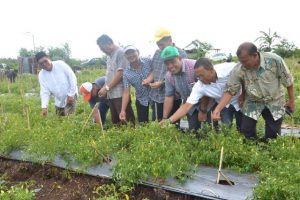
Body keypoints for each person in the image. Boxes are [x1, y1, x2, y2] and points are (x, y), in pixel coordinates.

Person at [212, 42, 294, 140]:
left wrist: (291, 101)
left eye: (245, 61)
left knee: (273, 135)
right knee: (246, 131)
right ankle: (253, 150)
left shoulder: (274, 60)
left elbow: (288, 81)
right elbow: (230, 90)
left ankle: (267, 152)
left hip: (274, 101)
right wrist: (217, 109)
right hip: (253, 101)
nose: (243, 64)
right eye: (241, 61)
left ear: (255, 55)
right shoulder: (239, 69)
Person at [163, 58, 242, 130]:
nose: (200, 79)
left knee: (245, 128)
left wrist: (243, 94)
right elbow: (186, 106)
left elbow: (244, 72)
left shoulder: (228, 68)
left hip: (241, 101)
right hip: (224, 106)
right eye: (198, 76)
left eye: (202, 75)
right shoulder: (199, 86)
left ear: (211, 70)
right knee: (227, 129)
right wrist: (168, 121)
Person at [143, 28, 187, 121]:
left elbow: (179, 75)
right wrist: (149, 79)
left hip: (172, 96)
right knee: (157, 121)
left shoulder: (181, 53)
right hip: (156, 95)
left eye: (161, 44)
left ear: (170, 40)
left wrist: (162, 83)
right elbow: (154, 70)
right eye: (158, 44)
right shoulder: (157, 52)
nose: (159, 47)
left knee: (172, 122)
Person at [158, 46, 200, 130]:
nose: (170, 66)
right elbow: (169, 97)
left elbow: (207, 88)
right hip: (189, 108)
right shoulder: (169, 76)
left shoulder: (194, 66)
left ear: (180, 58)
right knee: (194, 133)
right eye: (167, 64)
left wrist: (203, 110)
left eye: (173, 62)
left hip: (207, 105)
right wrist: (165, 118)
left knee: (211, 131)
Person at [96, 34, 135, 125]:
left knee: (126, 121)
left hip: (120, 94)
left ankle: (132, 138)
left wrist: (106, 88)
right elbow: (109, 75)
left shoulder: (120, 53)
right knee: (116, 122)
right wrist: (105, 88)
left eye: (102, 48)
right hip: (111, 95)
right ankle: (120, 139)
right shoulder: (109, 56)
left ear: (109, 43)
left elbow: (121, 74)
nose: (102, 51)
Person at [36, 51, 78, 116]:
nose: (44, 64)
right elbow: (44, 91)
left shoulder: (60, 64)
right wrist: (44, 107)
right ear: (39, 65)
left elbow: (72, 78)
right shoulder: (41, 75)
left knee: (69, 118)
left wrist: (71, 94)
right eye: (41, 63)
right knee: (59, 119)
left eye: (45, 61)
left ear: (49, 58)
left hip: (70, 96)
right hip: (59, 100)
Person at [119, 45, 152, 123]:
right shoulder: (126, 73)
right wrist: (123, 110)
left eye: (132, 52)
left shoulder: (148, 61)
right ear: (125, 56)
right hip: (141, 99)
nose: (130, 55)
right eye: (128, 53)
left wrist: (149, 79)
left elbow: (157, 70)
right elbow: (126, 92)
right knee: (143, 124)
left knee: (159, 120)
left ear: (138, 52)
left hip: (156, 95)